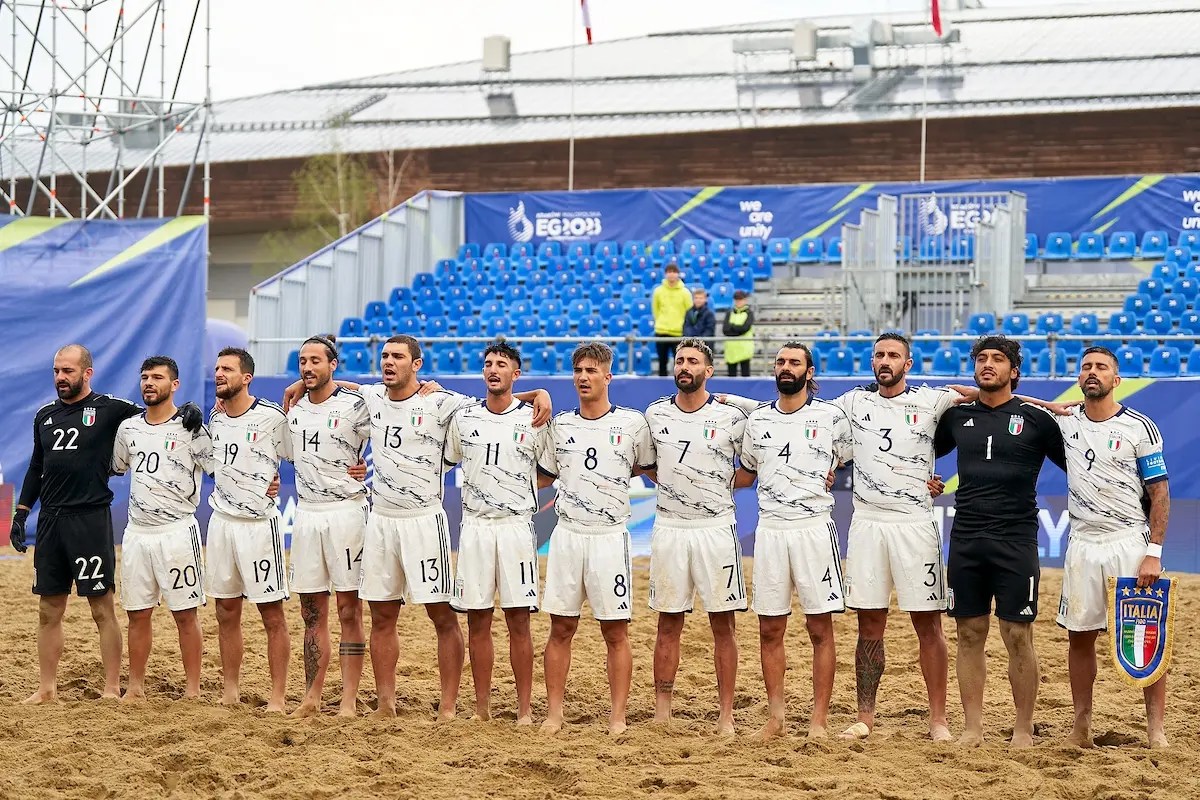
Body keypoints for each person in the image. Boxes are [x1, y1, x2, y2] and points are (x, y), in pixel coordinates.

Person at [280, 336, 552, 720]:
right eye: (385, 356)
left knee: (442, 615)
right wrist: (298, 384)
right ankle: (386, 703)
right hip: (381, 521)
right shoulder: (371, 398)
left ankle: (447, 706)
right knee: (382, 615)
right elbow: (334, 387)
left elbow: (495, 404)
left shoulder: (442, 402)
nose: (389, 362)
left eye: (398, 357)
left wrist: (536, 393)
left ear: (417, 364)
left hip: (425, 520)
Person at [13, 344, 201, 704]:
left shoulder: (112, 409)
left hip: (90, 520)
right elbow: (37, 467)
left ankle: (113, 687)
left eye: (67, 371)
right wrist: (22, 513)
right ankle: (47, 688)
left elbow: (157, 411)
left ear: (87, 373)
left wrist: (188, 409)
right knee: (48, 608)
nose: (60, 378)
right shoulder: (45, 416)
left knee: (102, 607)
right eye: (56, 371)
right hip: (52, 522)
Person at [934, 335, 1065, 748]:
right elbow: (913, 452)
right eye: (981, 359)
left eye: (997, 359)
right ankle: (973, 728)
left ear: (1015, 371)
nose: (988, 364)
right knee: (969, 633)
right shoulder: (956, 416)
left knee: (1017, 634)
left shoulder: (1038, 420)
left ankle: (1023, 728)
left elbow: (1079, 466)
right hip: (967, 537)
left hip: (1016, 539)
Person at [536, 342, 656, 736]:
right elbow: (544, 476)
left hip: (610, 538)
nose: (583, 378)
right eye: (578, 371)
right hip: (568, 536)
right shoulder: (560, 426)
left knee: (615, 630)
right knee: (560, 627)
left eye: (591, 371)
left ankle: (618, 716)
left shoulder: (633, 424)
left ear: (608, 376)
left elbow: (651, 469)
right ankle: (554, 714)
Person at [736, 343, 852, 739]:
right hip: (770, 531)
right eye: (781, 362)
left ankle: (819, 721)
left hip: (814, 529)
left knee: (820, 628)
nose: (786, 368)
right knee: (770, 629)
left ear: (809, 370)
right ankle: (776, 718)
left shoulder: (831, 417)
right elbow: (748, 471)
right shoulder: (758, 422)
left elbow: (849, 456)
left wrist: (831, 469)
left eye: (794, 363)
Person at [643, 338, 749, 734]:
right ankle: (662, 710)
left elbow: (751, 469)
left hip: (716, 529)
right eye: (680, 360)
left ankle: (726, 714)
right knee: (668, 623)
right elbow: (647, 465)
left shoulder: (732, 417)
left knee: (723, 624)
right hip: (670, 527)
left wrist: (716, 487)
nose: (684, 366)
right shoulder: (654, 415)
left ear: (709, 370)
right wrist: (678, 483)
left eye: (693, 361)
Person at [445, 342, 551, 725]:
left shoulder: (534, 419)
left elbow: (551, 471)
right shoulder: (465, 418)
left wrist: (517, 491)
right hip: (474, 528)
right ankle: (482, 708)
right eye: (488, 364)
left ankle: (524, 710)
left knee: (519, 620)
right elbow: (447, 458)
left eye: (501, 365)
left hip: (516, 529)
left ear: (515, 373)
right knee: (478, 620)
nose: (493, 369)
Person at [112, 356, 213, 702]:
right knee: (136, 613)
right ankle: (136, 688)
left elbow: (219, 466)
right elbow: (116, 467)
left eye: (157, 377)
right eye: (144, 377)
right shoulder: (128, 429)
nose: (149, 383)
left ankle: (193, 690)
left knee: (185, 613)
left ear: (175, 385)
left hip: (178, 532)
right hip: (138, 533)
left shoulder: (192, 428)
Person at [287, 335, 372, 718]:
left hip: (347, 512)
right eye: (303, 361)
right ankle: (312, 696)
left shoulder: (356, 406)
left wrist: (368, 467)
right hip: (307, 514)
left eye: (316, 361)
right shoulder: (292, 410)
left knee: (349, 609)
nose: (307, 368)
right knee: (311, 612)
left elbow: (397, 434)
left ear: (333, 365)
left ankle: (350, 701)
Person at [206, 347, 293, 712]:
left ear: (247, 377)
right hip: (222, 523)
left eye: (227, 368)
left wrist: (354, 468)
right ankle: (230, 691)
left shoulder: (273, 418)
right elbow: (210, 465)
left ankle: (277, 696)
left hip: (259, 526)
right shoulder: (215, 419)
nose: (219, 374)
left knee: (271, 613)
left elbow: (300, 455)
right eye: (216, 369)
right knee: (225, 611)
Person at [651, 264, 691, 377]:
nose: (671, 274)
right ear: (665, 274)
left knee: (679, 362)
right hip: (661, 331)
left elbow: (689, 312)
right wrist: (661, 322)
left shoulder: (685, 293)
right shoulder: (658, 291)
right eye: (669, 272)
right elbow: (655, 310)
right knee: (662, 361)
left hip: (678, 333)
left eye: (674, 272)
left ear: (678, 274)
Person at [722, 290, 755, 377]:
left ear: (745, 300)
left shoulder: (749, 313)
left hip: (744, 349)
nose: (738, 302)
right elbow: (725, 330)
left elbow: (745, 328)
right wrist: (738, 329)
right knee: (731, 376)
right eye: (737, 300)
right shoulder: (729, 313)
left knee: (745, 375)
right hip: (731, 349)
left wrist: (732, 327)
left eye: (741, 299)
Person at [683, 288, 716, 353]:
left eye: (701, 298)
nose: (698, 300)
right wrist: (692, 340)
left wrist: (698, 340)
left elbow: (709, 331)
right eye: (696, 298)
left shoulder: (709, 314)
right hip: (690, 346)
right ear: (693, 299)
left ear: (705, 299)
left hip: (705, 347)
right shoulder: (688, 312)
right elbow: (686, 327)